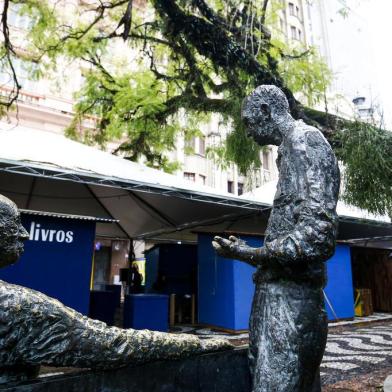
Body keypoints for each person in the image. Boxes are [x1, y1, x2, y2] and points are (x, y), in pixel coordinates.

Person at [0, 195, 231, 384]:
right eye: (13, 224)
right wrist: (196, 344)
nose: (23, 233)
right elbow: (113, 344)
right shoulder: (17, 307)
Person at [213, 85, 340, 392]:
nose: (248, 131)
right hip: (277, 294)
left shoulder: (306, 142)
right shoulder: (289, 149)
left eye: (249, 121)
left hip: (290, 300)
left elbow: (317, 235)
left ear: (267, 111)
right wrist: (248, 254)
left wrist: (250, 254)